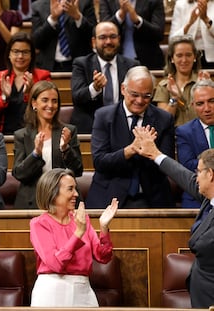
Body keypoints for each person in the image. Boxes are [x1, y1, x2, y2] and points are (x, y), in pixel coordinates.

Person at [134, 127, 214, 308]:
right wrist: (155, 154)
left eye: (199, 172)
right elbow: (183, 176)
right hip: (201, 291)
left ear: (210, 175)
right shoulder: (208, 198)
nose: (196, 177)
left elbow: (201, 244)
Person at [86, 66, 175, 208]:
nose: (140, 101)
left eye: (147, 96)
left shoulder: (164, 119)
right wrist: (130, 150)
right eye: (134, 94)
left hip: (153, 197)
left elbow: (167, 166)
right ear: (123, 89)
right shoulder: (104, 116)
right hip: (109, 196)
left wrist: (152, 152)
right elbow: (99, 162)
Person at [29, 168, 119, 307]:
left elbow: (103, 257)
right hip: (51, 291)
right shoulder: (39, 224)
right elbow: (55, 264)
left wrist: (104, 227)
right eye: (70, 189)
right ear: (53, 193)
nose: (76, 194)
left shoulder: (82, 219)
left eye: (75, 189)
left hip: (83, 290)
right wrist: (78, 233)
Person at [13, 80, 83, 209]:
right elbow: (19, 174)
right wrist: (35, 154)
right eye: (45, 100)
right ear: (34, 103)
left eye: (54, 101)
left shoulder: (68, 131)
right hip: (32, 201)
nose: (50, 105)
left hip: (63, 201)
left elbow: (78, 170)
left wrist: (65, 148)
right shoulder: (22, 135)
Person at [70, 21, 139, 133]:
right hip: (91, 126)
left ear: (119, 39)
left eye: (113, 37)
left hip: (124, 127)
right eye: (103, 37)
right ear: (94, 42)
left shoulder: (132, 66)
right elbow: (77, 97)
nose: (108, 41)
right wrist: (95, 88)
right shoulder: (82, 64)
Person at [0, 32, 51, 134]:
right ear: (9, 54)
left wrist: (31, 93)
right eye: (16, 51)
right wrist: (3, 97)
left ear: (32, 55)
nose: (20, 56)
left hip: (35, 134)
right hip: (5, 135)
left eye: (25, 52)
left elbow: (48, 110)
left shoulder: (43, 76)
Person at [154, 35, 210, 127]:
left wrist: (203, 90)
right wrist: (174, 98)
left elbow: (208, 117)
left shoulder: (204, 82)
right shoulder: (164, 85)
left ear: (194, 57)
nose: (184, 60)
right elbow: (163, 122)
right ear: (172, 58)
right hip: (174, 137)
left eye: (188, 55)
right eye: (179, 55)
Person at [176, 79, 214, 208]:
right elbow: (187, 165)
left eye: (211, 101)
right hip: (197, 197)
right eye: (200, 103)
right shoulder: (184, 132)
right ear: (193, 105)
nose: (207, 108)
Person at [31, 0, 97, 72]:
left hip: (78, 66)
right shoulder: (38, 6)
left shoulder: (84, 3)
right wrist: (52, 20)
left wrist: (78, 17)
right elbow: (36, 42)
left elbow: (94, 35)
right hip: (48, 67)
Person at [100, 0, 165, 69]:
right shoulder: (107, 1)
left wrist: (138, 21)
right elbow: (102, 30)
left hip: (148, 61)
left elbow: (159, 34)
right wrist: (120, 16)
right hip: (116, 61)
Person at [169, 0, 214, 69]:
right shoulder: (181, 4)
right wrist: (189, 24)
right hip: (187, 58)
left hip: (211, 58)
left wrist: (206, 19)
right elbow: (172, 40)